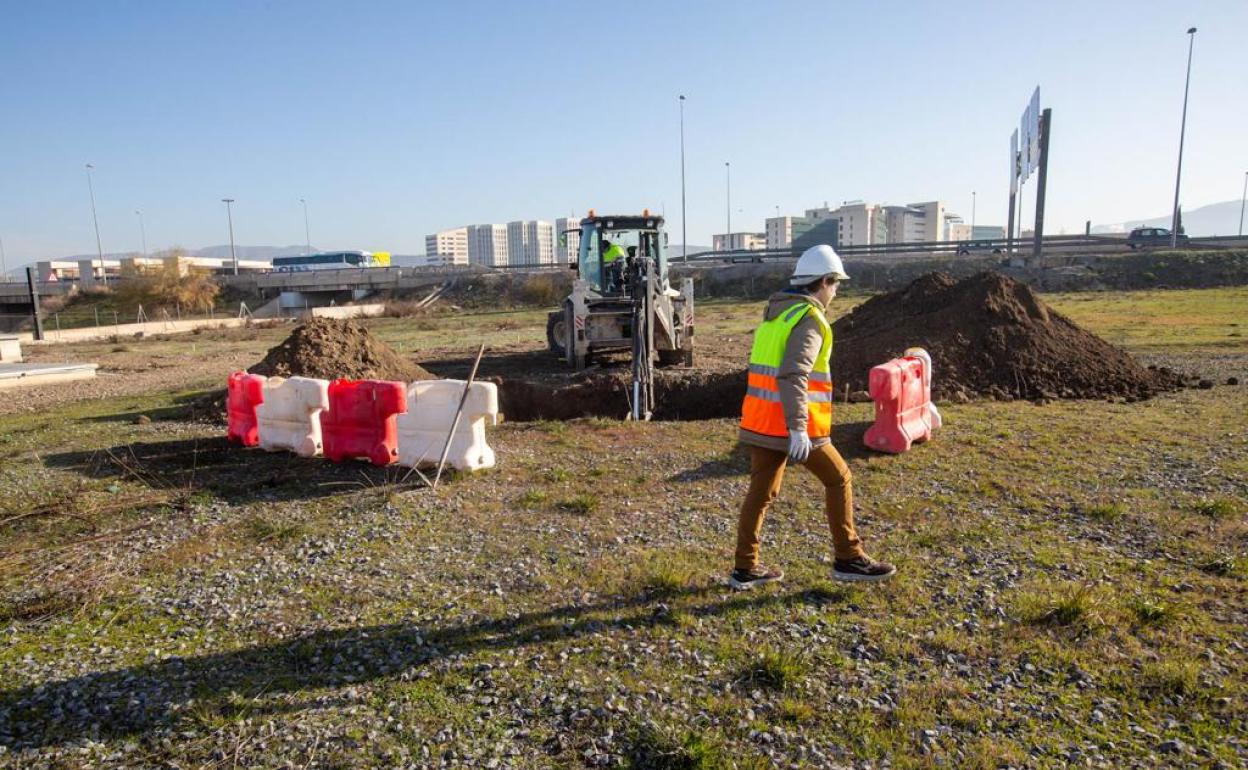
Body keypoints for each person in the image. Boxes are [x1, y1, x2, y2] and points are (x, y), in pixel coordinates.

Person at [731, 244, 896, 589]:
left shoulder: (777, 315)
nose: (836, 291)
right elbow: (794, 375)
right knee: (840, 478)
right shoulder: (808, 319)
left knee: (761, 492)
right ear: (823, 281)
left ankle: (745, 568)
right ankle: (849, 558)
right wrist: (798, 429)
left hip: (762, 421)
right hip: (792, 425)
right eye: (836, 284)